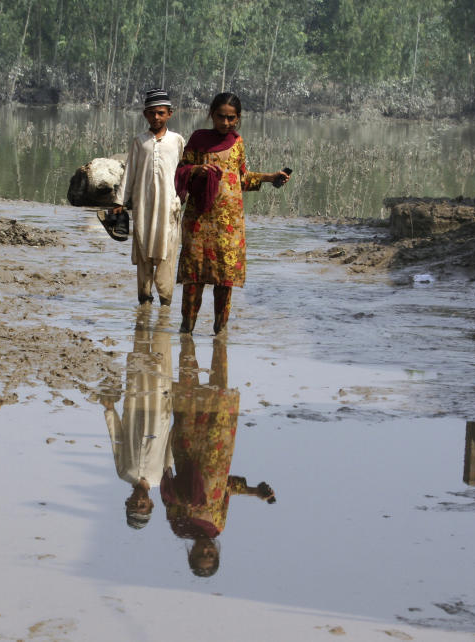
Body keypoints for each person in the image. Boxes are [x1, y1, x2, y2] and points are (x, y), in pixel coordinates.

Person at [174, 92, 290, 334]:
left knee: (224, 280)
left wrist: (270, 178)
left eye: (231, 118)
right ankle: (187, 331)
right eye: (220, 117)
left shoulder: (237, 143)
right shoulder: (198, 139)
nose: (225, 123)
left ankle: (220, 332)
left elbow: (241, 179)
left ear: (238, 118)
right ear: (211, 114)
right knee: (194, 278)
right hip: (199, 219)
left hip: (230, 224)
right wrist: (197, 169)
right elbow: (181, 171)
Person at [161, 336, 275, 576]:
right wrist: (255, 491)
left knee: (189, 392)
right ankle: (219, 340)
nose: (206, 552)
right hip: (217, 448)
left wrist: (188, 501)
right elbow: (225, 488)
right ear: (217, 552)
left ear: (190, 553)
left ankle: (187, 337)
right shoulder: (218, 527)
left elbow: (168, 492)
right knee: (220, 391)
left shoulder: (180, 526)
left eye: (200, 556)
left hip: (188, 448)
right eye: (210, 556)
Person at [99, 308, 175, 528]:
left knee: (139, 356)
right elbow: (171, 446)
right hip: (159, 411)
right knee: (161, 357)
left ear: (127, 502)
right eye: (142, 506)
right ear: (151, 504)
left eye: (134, 505)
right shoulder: (162, 478)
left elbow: (117, 441)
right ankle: (164, 313)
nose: (138, 501)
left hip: (133, 409)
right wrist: (177, 416)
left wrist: (110, 411)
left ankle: (144, 311)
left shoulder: (124, 473)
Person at [112, 88, 186, 306]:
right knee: (143, 247)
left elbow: (185, 172)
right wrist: (119, 201)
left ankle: (165, 301)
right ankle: (144, 299)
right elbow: (130, 173)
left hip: (169, 206)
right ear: (145, 114)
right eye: (152, 113)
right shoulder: (139, 142)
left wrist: (184, 199)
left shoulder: (177, 141)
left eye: (161, 113)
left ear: (170, 114)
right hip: (143, 206)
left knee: (168, 251)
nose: (156, 117)